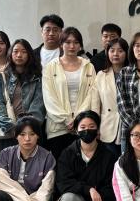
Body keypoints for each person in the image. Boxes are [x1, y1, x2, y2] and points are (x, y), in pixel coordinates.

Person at [56, 110, 119, 201]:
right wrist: (88, 189)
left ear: (98, 129)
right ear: (76, 130)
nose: (87, 130)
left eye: (92, 127)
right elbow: (63, 183)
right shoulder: (68, 153)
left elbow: (112, 187)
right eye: (83, 127)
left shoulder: (108, 155)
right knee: (68, 198)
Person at [42, 26, 99, 159]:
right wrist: (67, 120)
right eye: (68, 42)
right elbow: (49, 98)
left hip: (83, 127)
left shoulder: (89, 66)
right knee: (60, 165)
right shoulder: (50, 67)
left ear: (80, 45)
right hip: (57, 127)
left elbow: (92, 94)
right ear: (61, 44)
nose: (72, 46)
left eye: (76, 42)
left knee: (82, 165)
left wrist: (78, 120)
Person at [0, 39, 46, 152]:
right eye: (15, 51)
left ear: (29, 55)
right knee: (9, 161)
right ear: (10, 54)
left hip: (31, 132)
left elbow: (39, 106)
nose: (19, 55)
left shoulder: (37, 78)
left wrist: (26, 127)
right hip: (10, 132)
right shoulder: (2, 77)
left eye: (24, 52)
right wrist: (10, 126)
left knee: (33, 161)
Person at [94, 37, 128, 155]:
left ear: (127, 53)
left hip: (126, 126)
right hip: (107, 126)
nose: (115, 54)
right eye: (112, 50)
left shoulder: (132, 74)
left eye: (120, 51)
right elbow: (95, 104)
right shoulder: (101, 75)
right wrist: (95, 126)